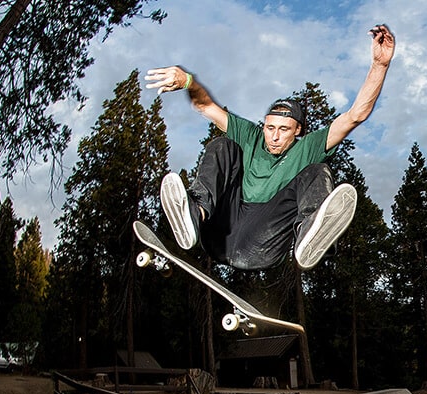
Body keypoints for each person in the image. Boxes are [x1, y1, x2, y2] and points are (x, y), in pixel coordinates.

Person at [144, 24, 396, 271]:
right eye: (269, 127)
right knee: (222, 146)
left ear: (298, 130)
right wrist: (189, 81)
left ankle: (310, 234)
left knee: (318, 171)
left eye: (283, 130)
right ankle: (195, 212)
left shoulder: (307, 148)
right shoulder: (249, 134)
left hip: (263, 242)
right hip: (220, 232)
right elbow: (206, 107)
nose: (274, 137)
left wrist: (380, 65)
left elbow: (355, 116)